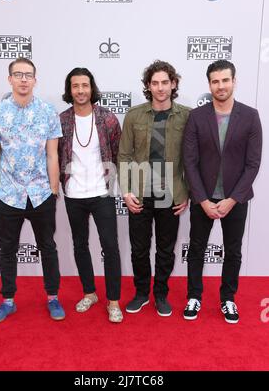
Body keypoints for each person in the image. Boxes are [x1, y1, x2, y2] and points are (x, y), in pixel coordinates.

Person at [0, 57, 65, 323]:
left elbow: (53, 155)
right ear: (9, 79)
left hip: (42, 193)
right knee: (7, 248)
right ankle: (7, 300)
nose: (23, 79)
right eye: (17, 74)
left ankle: (53, 297)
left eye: (28, 74)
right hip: (8, 194)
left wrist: (53, 190)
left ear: (35, 80)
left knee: (48, 247)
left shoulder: (48, 112)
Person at [183, 59, 262, 323]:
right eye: (215, 81)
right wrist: (203, 199)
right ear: (209, 84)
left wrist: (232, 199)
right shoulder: (196, 117)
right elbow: (189, 161)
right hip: (202, 198)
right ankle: (194, 296)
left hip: (236, 199)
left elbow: (253, 164)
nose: (221, 86)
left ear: (234, 81)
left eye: (225, 80)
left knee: (233, 250)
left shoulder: (250, 116)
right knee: (196, 248)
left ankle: (228, 299)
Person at [118, 60, 190, 316]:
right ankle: (141, 293)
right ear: (148, 86)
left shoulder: (187, 115)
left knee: (165, 249)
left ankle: (160, 294)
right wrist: (126, 191)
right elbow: (124, 155)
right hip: (139, 193)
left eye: (165, 82)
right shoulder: (134, 115)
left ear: (173, 84)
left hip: (171, 194)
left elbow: (194, 158)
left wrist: (188, 192)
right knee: (139, 248)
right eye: (155, 83)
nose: (160, 88)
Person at [58, 67, 123, 323]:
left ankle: (114, 301)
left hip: (101, 193)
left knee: (110, 247)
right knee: (80, 245)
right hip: (74, 194)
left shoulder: (107, 118)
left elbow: (118, 153)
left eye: (85, 85)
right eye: (76, 86)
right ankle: (90, 293)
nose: (81, 91)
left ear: (91, 87)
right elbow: (55, 154)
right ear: (70, 89)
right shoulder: (62, 119)